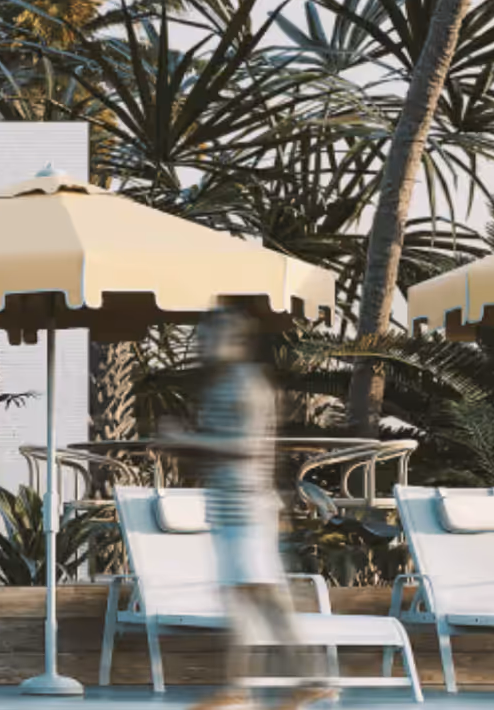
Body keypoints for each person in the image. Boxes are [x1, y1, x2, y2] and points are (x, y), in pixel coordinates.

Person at [173, 303, 329, 710]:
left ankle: (302, 680)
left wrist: (189, 440)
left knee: (261, 597)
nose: (204, 345)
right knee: (242, 597)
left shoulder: (246, 385)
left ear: (236, 341)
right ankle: (246, 687)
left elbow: (245, 446)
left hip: (247, 508)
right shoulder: (220, 384)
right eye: (203, 338)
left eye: (212, 337)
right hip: (227, 508)